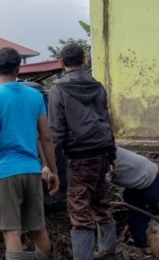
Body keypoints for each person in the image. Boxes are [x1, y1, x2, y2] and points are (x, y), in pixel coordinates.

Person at [0, 47, 60, 260]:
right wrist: (53, 171)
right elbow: (46, 137)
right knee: (38, 228)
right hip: (32, 171)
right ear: (18, 68)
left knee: (11, 231)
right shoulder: (35, 96)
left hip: (4, 172)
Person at [48, 43, 117, 260]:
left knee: (79, 211)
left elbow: (56, 131)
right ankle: (108, 251)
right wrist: (113, 155)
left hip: (79, 157)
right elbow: (106, 122)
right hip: (102, 154)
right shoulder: (98, 86)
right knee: (101, 203)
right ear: (84, 60)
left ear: (61, 63)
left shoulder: (58, 89)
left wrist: (49, 165)